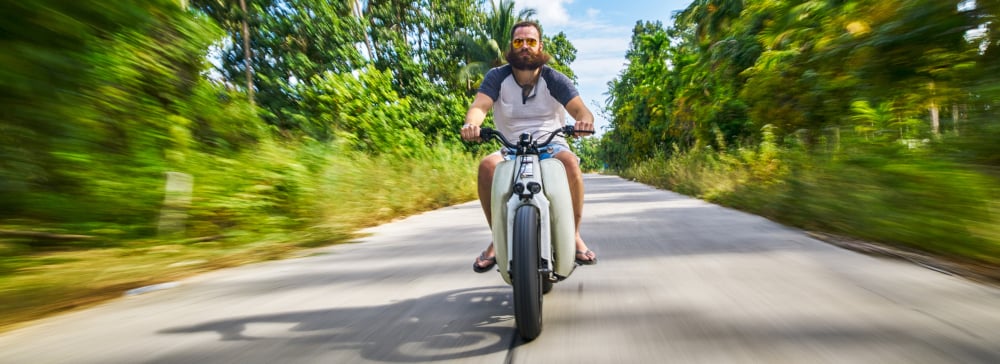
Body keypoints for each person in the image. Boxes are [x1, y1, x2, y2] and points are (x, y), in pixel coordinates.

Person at [460, 20, 597, 273]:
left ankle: (574, 235)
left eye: (531, 41)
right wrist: (472, 125)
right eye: (519, 41)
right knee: (487, 166)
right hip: (510, 147)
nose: (525, 46)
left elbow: (582, 111)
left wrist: (584, 123)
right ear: (511, 47)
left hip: (550, 145)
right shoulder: (496, 77)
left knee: (569, 163)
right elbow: (479, 107)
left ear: (540, 46)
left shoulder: (554, 79)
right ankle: (498, 239)